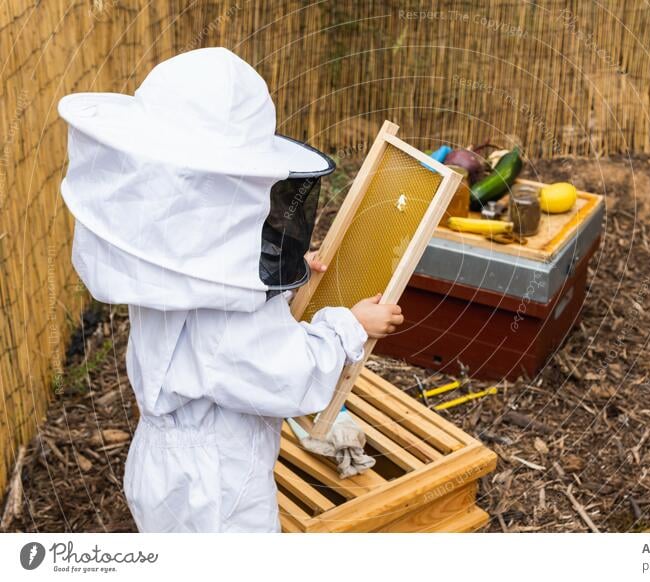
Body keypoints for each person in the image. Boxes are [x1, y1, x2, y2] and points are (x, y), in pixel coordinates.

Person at [58, 47, 402, 532]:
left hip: (165, 469)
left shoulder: (165, 271)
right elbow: (290, 375)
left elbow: (211, 261)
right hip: (215, 490)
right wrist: (350, 326)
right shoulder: (227, 318)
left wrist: (279, 275)